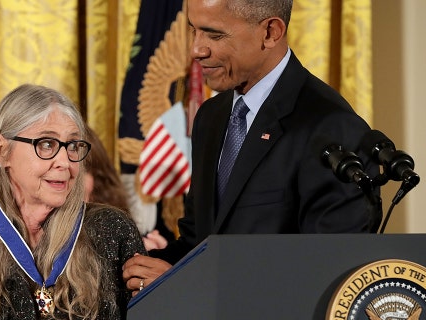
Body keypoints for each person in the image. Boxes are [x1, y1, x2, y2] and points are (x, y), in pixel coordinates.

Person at [123, 0, 381, 294]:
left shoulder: (333, 129)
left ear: (270, 32)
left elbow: (328, 275)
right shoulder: (211, 116)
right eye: (193, 30)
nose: (196, 49)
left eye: (214, 35)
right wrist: (137, 266)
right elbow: (200, 243)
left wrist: (181, 284)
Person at [0, 84, 146, 319]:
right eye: (47, 144)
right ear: (2, 151)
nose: (65, 162)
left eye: (73, 146)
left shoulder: (112, 231)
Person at [83, 127, 168, 251]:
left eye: (82, 169)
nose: (67, 178)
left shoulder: (122, 235)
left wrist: (161, 260)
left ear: (97, 182)